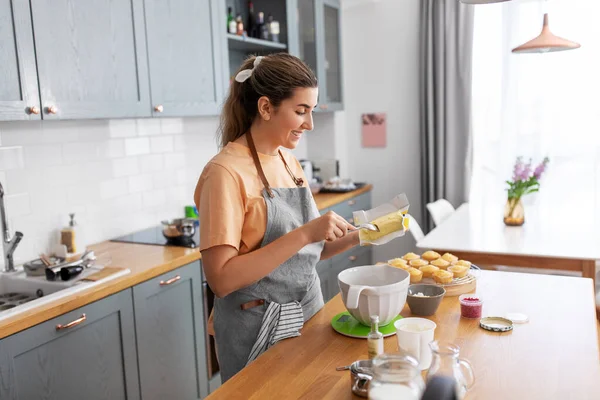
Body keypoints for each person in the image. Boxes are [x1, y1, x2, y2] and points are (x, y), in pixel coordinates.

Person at [194, 53, 361, 382]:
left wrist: (362, 235)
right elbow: (221, 279)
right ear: (266, 108)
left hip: (307, 312)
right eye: (301, 111)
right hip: (255, 328)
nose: (309, 124)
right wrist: (306, 233)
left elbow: (305, 255)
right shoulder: (225, 172)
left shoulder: (288, 160)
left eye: (311, 111)